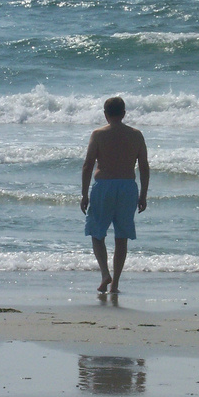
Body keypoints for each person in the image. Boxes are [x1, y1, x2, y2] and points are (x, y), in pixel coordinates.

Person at [81, 96, 149, 294]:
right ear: (124, 113)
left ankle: (105, 274)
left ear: (105, 114)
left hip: (104, 186)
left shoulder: (98, 134)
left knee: (97, 233)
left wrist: (84, 194)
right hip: (128, 187)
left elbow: (88, 165)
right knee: (122, 237)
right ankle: (116, 284)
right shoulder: (136, 135)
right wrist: (143, 194)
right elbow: (144, 166)